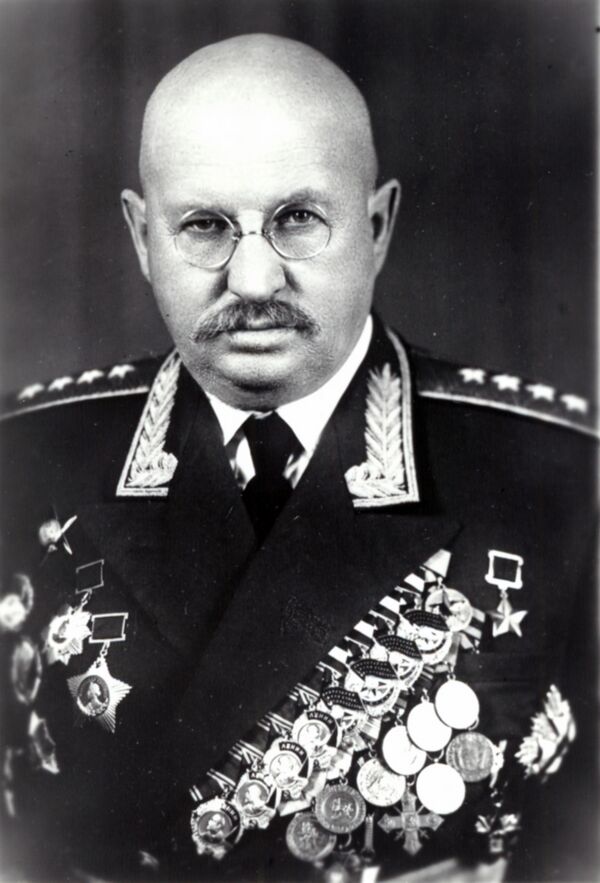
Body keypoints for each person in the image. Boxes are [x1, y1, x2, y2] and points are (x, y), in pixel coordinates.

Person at [0, 33, 596, 883]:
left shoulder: (565, 484)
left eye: (297, 220)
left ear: (377, 226)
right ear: (140, 235)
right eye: (204, 226)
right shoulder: (21, 460)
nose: (252, 281)